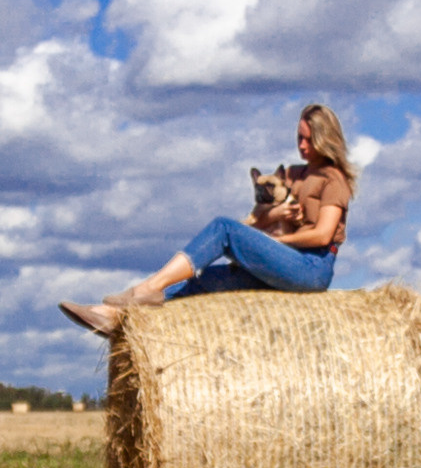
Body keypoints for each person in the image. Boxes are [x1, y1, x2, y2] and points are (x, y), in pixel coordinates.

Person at [61, 103, 354, 335]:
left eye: (308, 139)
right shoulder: (292, 174)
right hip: (284, 260)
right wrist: (273, 216)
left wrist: (276, 241)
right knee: (204, 280)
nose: (301, 145)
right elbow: (255, 222)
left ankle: (149, 286)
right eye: (298, 138)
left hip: (311, 268)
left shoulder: (334, 179)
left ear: (324, 138)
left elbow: (322, 236)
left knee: (224, 228)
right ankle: (115, 318)